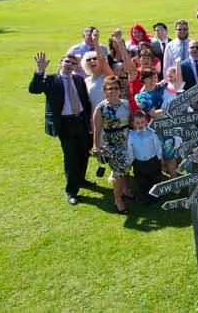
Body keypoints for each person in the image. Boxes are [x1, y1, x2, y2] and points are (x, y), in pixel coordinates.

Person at [29, 52, 93, 205]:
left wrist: (89, 119)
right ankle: (72, 191)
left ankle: (81, 179)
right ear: (60, 63)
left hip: (81, 121)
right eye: (66, 61)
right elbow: (34, 89)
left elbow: (84, 100)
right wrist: (40, 70)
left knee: (84, 152)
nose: (69, 64)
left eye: (72, 62)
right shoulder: (51, 80)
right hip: (65, 124)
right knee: (70, 157)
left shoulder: (78, 80)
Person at [92, 76, 132, 214]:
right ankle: (118, 199)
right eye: (110, 88)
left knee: (126, 167)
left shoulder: (126, 104)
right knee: (119, 171)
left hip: (127, 142)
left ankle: (125, 190)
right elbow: (97, 129)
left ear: (120, 90)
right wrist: (96, 148)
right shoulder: (100, 108)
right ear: (104, 90)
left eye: (116, 88)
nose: (113, 91)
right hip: (111, 145)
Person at [126, 111, 163, 203]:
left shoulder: (151, 133)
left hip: (153, 160)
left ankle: (155, 195)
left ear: (146, 121)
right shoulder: (131, 135)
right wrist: (131, 161)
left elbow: (157, 145)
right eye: (137, 123)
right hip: (139, 162)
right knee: (141, 180)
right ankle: (144, 195)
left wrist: (159, 157)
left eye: (142, 122)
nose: (140, 124)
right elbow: (129, 149)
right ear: (133, 123)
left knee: (154, 177)